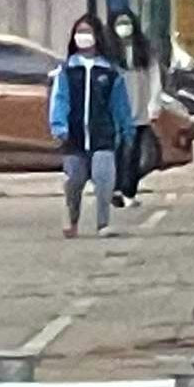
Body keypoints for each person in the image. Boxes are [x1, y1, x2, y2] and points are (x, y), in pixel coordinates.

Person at [50, 14, 132, 239]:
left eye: (87, 32)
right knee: (74, 182)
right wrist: (59, 126)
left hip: (103, 135)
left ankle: (103, 223)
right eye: (79, 32)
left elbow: (120, 104)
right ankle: (72, 218)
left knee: (104, 179)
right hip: (74, 137)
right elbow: (60, 100)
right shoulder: (67, 71)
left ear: (97, 36)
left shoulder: (110, 72)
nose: (83, 37)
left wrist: (127, 129)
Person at [109, 9, 162, 206]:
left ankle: (128, 191)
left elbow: (154, 78)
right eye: (120, 23)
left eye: (127, 23)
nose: (124, 27)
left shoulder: (144, 49)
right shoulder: (108, 50)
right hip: (117, 109)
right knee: (119, 150)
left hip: (140, 106)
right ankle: (116, 189)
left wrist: (154, 103)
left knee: (136, 154)